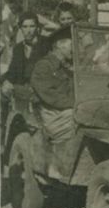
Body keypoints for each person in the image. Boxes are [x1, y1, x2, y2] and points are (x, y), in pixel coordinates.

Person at [30, 27, 76, 178]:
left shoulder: (68, 67)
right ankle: (60, 168)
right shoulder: (44, 66)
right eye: (72, 45)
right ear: (59, 45)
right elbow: (50, 97)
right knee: (82, 118)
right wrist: (76, 103)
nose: (74, 49)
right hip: (51, 115)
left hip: (63, 112)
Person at [1, 12, 46, 99]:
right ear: (20, 28)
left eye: (32, 26)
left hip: (41, 91)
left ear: (37, 27)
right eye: (25, 27)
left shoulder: (46, 44)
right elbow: (12, 72)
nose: (28, 31)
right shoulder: (18, 48)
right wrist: (4, 80)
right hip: (22, 90)